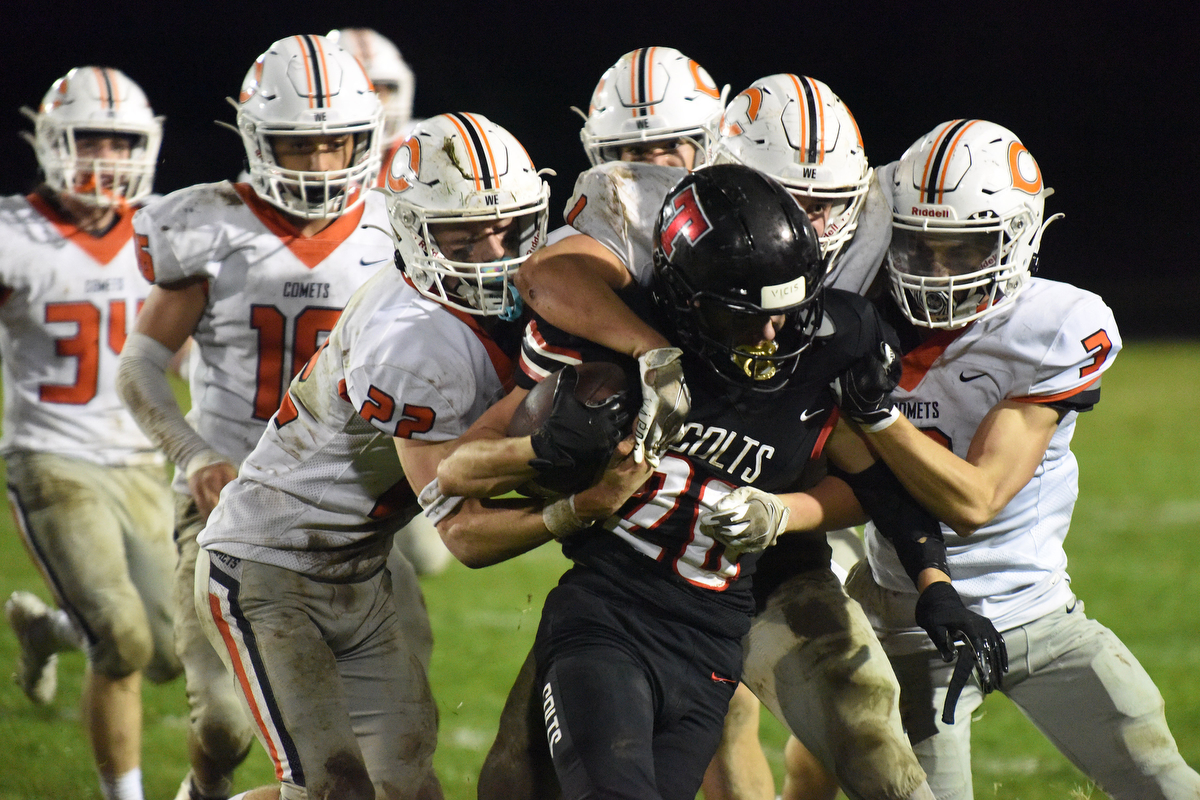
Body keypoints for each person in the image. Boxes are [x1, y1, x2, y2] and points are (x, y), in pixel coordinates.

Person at [433, 164, 1002, 800]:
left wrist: (931, 581)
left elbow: (876, 484)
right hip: (609, 615)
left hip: (715, 634)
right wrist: (562, 465)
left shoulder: (820, 350)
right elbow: (460, 467)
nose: (770, 335)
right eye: (744, 316)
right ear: (688, 300)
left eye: (787, 311)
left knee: (862, 737)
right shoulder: (613, 340)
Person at [830, 119, 1200, 800]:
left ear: (1017, 238)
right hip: (912, 628)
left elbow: (976, 501)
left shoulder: (1050, 327)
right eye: (919, 245)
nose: (936, 271)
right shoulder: (857, 320)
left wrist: (879, 414)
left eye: (962, 249)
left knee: (1163, 781)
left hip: (1040, 616)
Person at [192, 110, 550, 800]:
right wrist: (575, 508)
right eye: (464, 232)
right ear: (412, 232)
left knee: (407, 791)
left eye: (510, 224)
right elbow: (462, 529)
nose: (495, 250)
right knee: (336, 790)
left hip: (359, 570)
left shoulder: (487, 297)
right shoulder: (411, 336)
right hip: (267, 571)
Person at [114, 34, 399, 800]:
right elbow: (139, 364)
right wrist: (194, 453)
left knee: (359, 754)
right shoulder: (208, 224)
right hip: (227, 511)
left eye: (336, 141)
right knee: (225, 729)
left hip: (350, 521)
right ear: (255, 138)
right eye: (296, 145)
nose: (318, 163)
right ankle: (203, 788)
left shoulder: (397, 231)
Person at [1, 66, 179, 800]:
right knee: (125, 639)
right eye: (89, 138)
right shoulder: (15, 233)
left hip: (143, 460)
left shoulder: (166, 225)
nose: (106, 155)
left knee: (171, 651)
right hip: (53, 458)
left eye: (120, 140)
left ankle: (47, 631)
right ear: (51, 142)